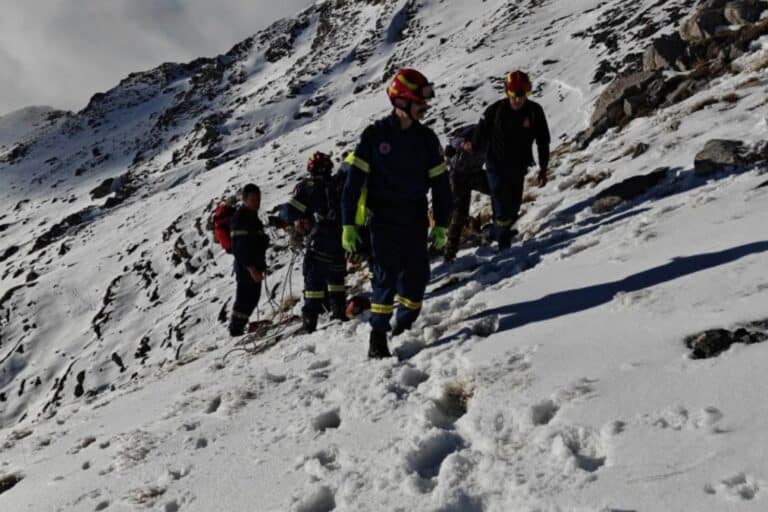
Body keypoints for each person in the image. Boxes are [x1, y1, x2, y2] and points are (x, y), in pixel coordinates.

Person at [341, 68, 453, 358]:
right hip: (382, 221)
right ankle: (378, 336)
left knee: (416, 282)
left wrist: (441, 224)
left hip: (415, 220)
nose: (425, 107)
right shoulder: (374, 136)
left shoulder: (428, 140)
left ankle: (404, 324)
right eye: (420, 101)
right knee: (385, 276)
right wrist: (348, 225)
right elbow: (352, 186)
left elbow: (441, 186)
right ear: (402, 101)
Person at [466, 70, 551, 250]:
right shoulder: (495, 111)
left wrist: (543, 168)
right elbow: (479, 133)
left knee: (513, 208)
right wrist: (471, 147)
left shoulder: (535, 112)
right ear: (507, 92)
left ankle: (492, 232)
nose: (519, 100)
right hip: (495, 165)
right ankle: (503, 242)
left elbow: (543, 140)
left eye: (524, 95)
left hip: (518, 167)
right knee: (501, 204)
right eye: (515, 95)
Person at [280, 151, 347, 333]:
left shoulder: (308, 186)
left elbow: (291, 211)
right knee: (336, 278)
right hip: (341, 238)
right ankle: (339, 312)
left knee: (313, 281)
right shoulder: (339, 184)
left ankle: (309, 323)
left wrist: (286, 217)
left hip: (320, 238)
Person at [442, 123, 491, 261]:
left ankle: (500, 228)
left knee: (499, 190)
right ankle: (450, 251)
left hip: (475, 172)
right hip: (458, 175)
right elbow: (452, 140)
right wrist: (463, 144)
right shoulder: (475, 130)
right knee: (460, 213)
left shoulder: (496, 137)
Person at [228, 183, 270, 337]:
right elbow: (238, 247)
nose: (257, 202)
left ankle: (239, 328)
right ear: (245, 200)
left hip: (255, 265)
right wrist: (251, 269)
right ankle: (235, 330)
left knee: (252, 298)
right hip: (246, 268)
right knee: (245, 299)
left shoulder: (253, 218)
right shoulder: (240, 218)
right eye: (253, 199)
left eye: (258, 199)